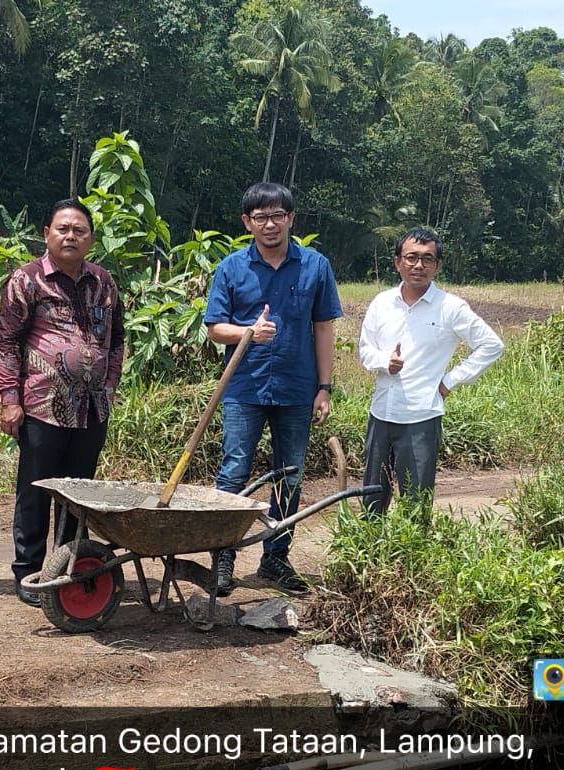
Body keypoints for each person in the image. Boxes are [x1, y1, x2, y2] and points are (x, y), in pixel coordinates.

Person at [205, 182, 341, 596]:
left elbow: (323, 329)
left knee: (290, 474)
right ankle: (223, 555)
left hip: (297, 388)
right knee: (234, 471)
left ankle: (276, 558)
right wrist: (248, 332)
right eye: (260, 217)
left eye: (277, 216)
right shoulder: (232, 267)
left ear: (290, 219)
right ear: (247, 222)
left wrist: (324, 387)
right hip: (243, 387)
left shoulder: (315, 266)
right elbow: (215, 329)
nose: (269, 224)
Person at [0, 199, 124, 606]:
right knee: (35, 492)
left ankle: (66, 568)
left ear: (91, 238)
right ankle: (29, 572)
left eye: (79, 230)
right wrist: (9, 399)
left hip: (92, 409)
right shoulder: (26, 280)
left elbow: (117, 341)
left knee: (77, 495)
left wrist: (109, 387)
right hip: (41, 407)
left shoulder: (104, 282)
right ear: (46, 233)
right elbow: (8, 344)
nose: (71, 236)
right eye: (63, 229)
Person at [358, 227, 503, 514]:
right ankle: (371, 544)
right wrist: (385, 361)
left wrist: (450, 381)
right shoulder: (382, 303)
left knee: (416, 502)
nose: (418, 265)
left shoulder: (451, 307)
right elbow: (365, 349)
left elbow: (491, 345)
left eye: (427, 259)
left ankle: (415, 545)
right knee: (372, 498)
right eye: (411, 257)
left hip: (421, 417)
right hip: (381, 413)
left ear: (438, 266)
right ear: (397, 262)